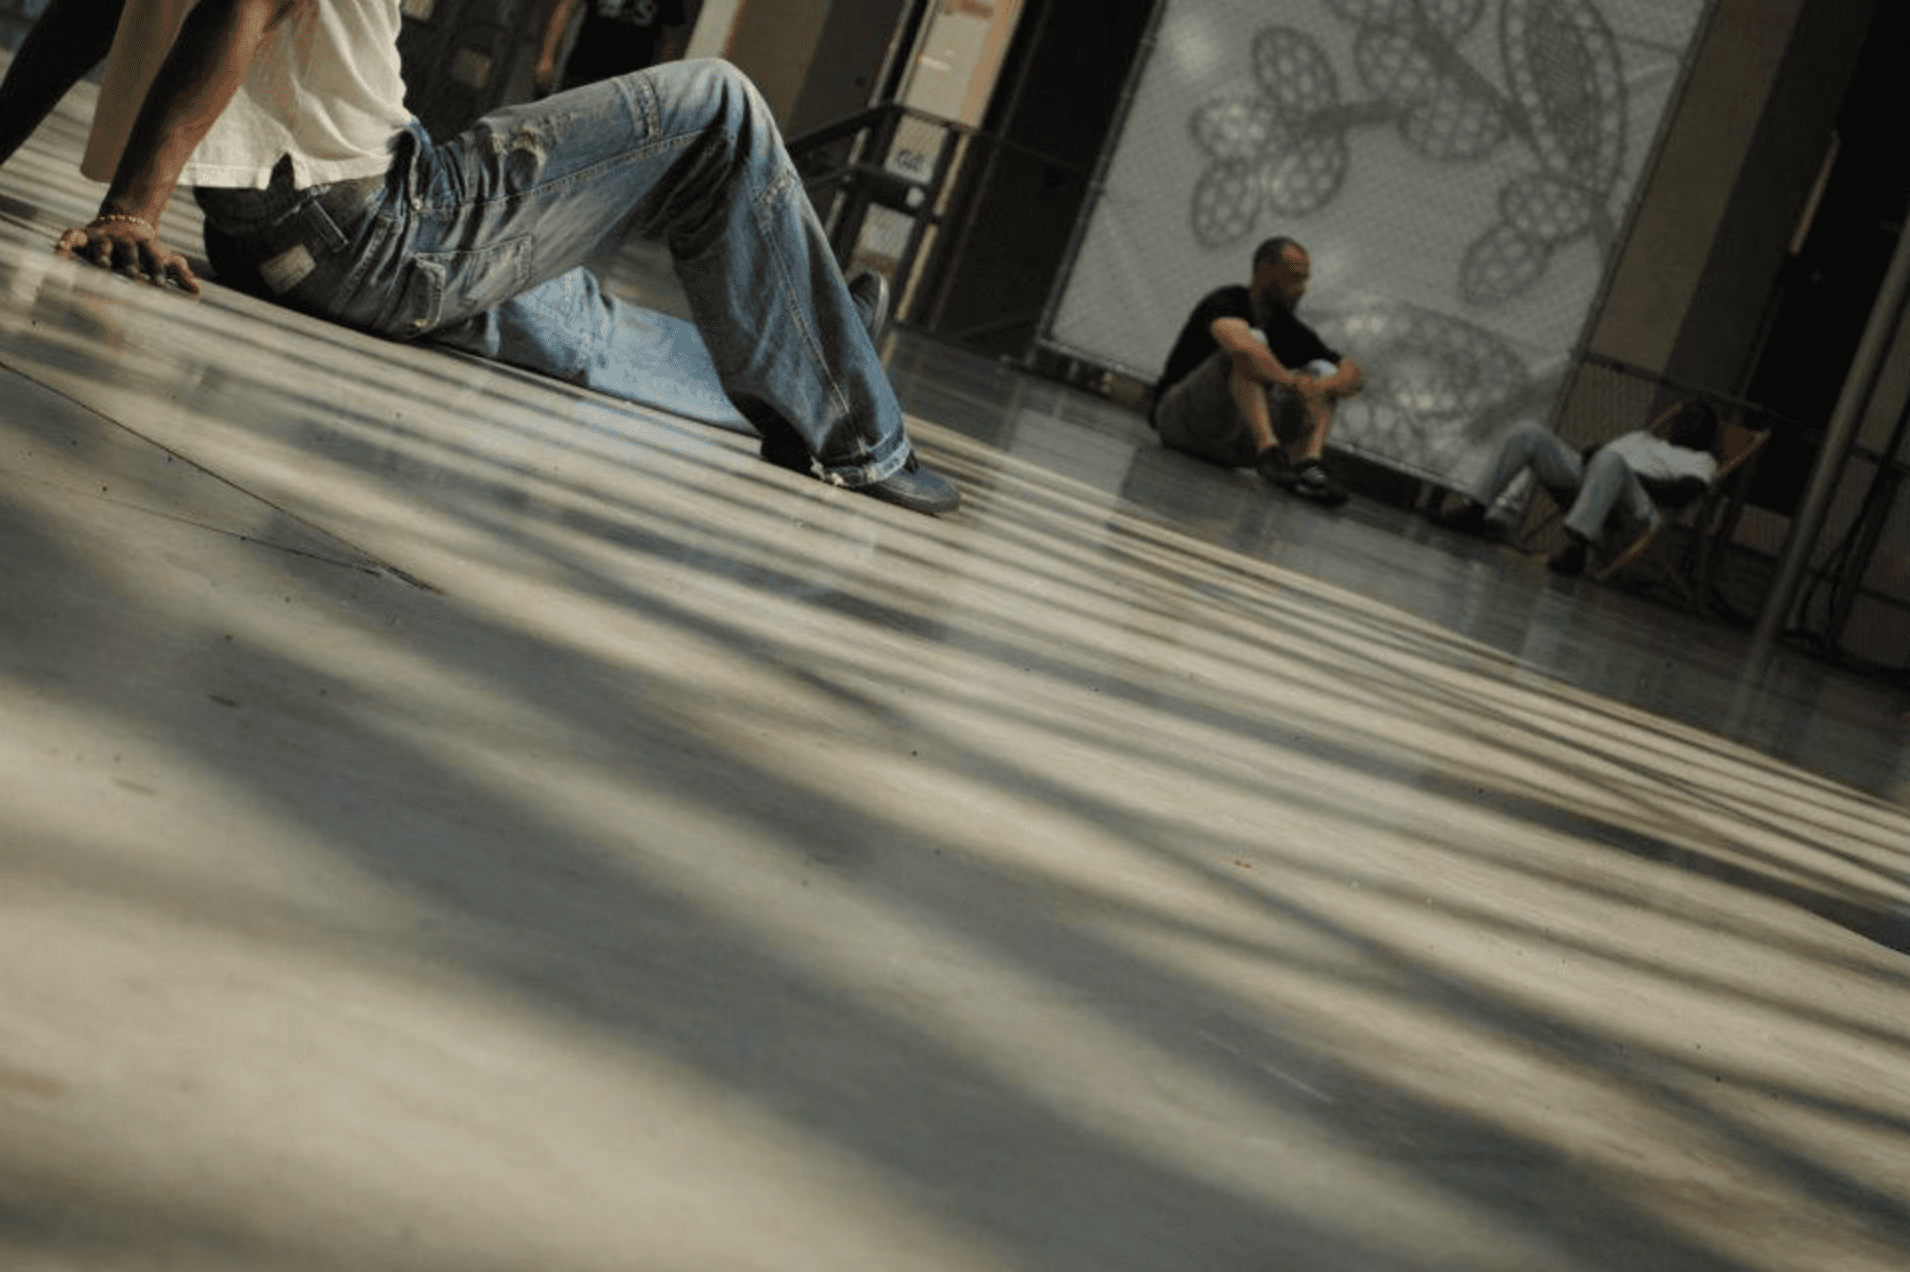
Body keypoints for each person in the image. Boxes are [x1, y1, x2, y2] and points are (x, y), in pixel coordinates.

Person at [13, 0, 957, 515]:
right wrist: (132, 208)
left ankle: (821, 350)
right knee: (719, 105)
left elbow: (81, 15)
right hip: (374, 229)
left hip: (265, 236)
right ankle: (862, 440)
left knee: (584, 326)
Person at [1150, 236, 1365, 507]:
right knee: (1247, 351)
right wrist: (1290, 381)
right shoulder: (1227, 301)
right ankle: (1268, 451)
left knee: (1324, 371)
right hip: (1182, 424)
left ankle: (1310, 464)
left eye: (1304, 280)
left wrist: (1321, 386)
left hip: (1234, 443)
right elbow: (1242, 347)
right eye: (1293, 279)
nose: (1301, 289)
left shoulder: (1288, 328)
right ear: (1265, 271)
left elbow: (1352, 374)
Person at [1434, 401, 1720, 577]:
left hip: (1634, 506)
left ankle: (1576, 550)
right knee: (1529, 431)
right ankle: (1475, 510)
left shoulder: (1702, 461)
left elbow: (1681, 494)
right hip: (1595, 479)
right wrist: (1593, 453)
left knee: (1611, 460)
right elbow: (1597, 458)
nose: (1689, 422)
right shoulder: (1642, 438)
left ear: (1707, 434)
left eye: (1699, 420)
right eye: (1687, 415)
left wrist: (1623, 470)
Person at [535, 0, 688, 98]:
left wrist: (661, 87)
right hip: (583, 70)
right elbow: (567, 6)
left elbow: (671, 40)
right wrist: (547, 58)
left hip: (629, 86)